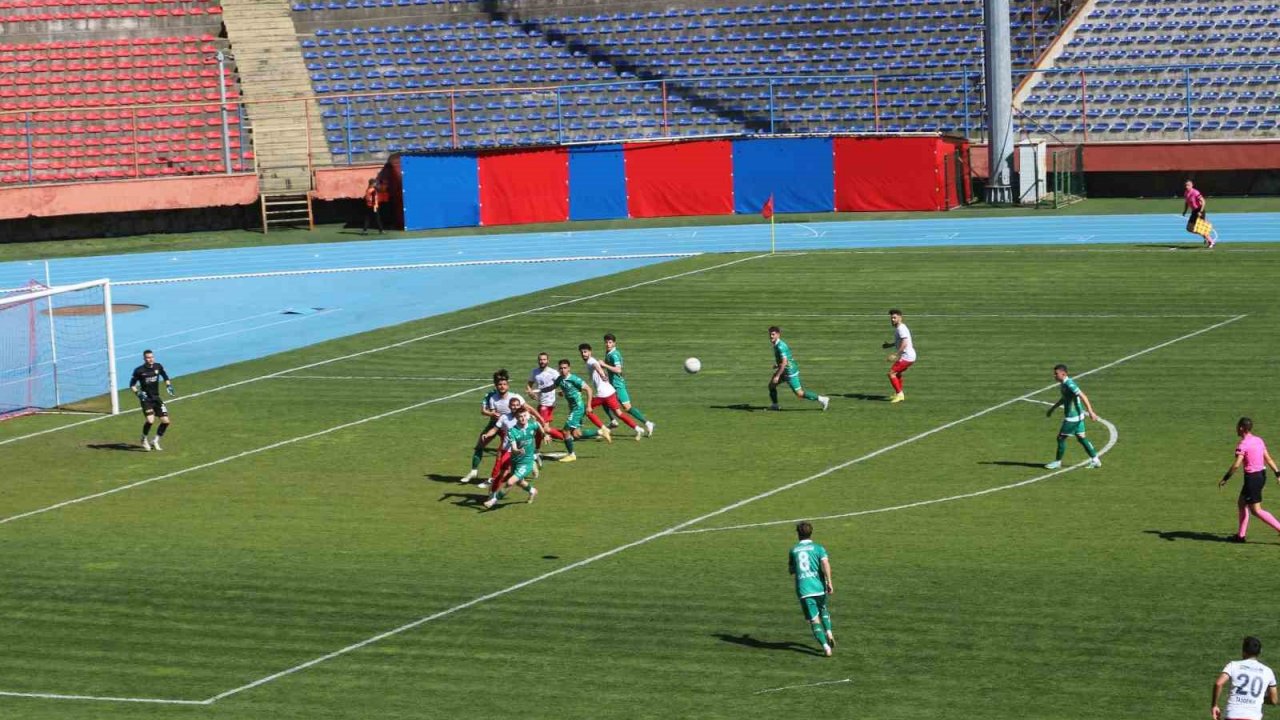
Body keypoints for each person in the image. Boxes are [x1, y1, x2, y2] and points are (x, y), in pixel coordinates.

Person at [1219, 417, 1280, 543]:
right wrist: (1277, 473)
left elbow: (1236, 465)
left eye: (1237, 426)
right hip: (1261, 476)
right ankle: (1240, 536)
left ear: (1241, 428)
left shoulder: (1243, 444)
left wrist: (1226, 478)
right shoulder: (1259, 440)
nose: (1236, 428)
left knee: (1256, 510)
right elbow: (1268, 459)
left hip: (1252, 479)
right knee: (1242, 503)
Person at [548, 358, 610, 462]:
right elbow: (551, 388)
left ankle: (571, 455)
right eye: (561, 368)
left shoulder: (574, 379)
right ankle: (600, 432)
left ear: (569, 369)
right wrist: (538, 391)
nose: (563, 370)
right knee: (577, 434)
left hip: (578, 408)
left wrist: (589, 405)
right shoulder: (559, 379)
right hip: (572, 408)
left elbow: (589, 389)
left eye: (565, 368)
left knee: (565, 431)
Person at [788, 521, 835, 657]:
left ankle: (826, 648)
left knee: (814, 620)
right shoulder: (818, 548)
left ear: (798, 534)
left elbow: (791, 570)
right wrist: (829, 582)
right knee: (823, 609)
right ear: (811, 532)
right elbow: (825, 563)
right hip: (819, 587)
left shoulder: (793, 550)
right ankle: (829, 632)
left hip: (804, 590)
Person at [579, 343, 644, 441]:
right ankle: (638, 429)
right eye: (582, 352)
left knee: (586, 409)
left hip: (602, 394)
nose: (584, 354)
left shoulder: (590, 361)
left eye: (585, 352)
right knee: (619, 413)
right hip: (610, 391)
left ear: (590, 352)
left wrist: (602, 374)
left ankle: (601, 429)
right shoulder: (590, 361)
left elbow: (597, 366)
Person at [1044, 364, 1101, 469]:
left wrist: (1091, 412)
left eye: (1056, 374)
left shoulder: (1070, 384)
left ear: (1063, 374)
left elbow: (1083, 396)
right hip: (1078, 416)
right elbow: (1064, 399)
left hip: (1072, 418)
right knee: (1081, 438)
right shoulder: (1063, 384)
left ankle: (1057, 462)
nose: (1054, 376)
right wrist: (1053, 408)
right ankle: (1096, 460)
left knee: (1060, 438)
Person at [483, 406, 540, 509]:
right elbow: (513, 448)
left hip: (527, 462)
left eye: (524, 416)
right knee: (519, 482)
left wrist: (545, 435)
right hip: (515, 460)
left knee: (510, 481)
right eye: (520, 416)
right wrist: (517, 451)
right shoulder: (512, 431)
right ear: (516, 418)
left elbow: (538, 426)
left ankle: (493, 500)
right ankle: (532, 491)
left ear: (527, 416)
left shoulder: (532, 425)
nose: (523, 418)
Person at [463, 370, 515, 483]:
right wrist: (491, 414)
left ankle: (497, 477)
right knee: (479, 446)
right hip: (494, 424)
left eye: (503, 382)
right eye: (498, 382)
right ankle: (474, 471)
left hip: (506, 427)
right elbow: (483, 411)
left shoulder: (512, 396)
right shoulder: (490, 395)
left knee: (503, 452)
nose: (500, 385)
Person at [599, 333, 655, 436]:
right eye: (606, 342)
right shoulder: (609, 352)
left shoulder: (614, 354)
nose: (607, 344)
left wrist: (604, 365)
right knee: (603, 399)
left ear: (614, 343)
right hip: (612, 384)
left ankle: (647, 423)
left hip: (618, 385)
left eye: (610, 342)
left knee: (627, 407)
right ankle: (613, 421)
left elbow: (618, 369)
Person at [1212, 636, 1277, 720]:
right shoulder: (1268, 671)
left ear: (1243, 651)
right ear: (1260, 651)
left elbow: (1219, 683)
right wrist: (1257, 697)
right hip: (1254, 717)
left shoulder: (1233, 665)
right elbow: (1274, 700)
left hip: (1233, 715)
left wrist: (1214, 705)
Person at [768, 326, 829, 411]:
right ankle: (775, 405)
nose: (771, 336)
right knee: (771, 386)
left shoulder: (780, 346)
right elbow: (785, 360)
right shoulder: (776, 344)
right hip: (784, 370)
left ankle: (822, 399)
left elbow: (785, 362)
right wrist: (778, 365)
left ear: (778, 335)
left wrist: (777, 376)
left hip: (790, 372)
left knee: (799, 394)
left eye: (773, 334)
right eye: (770, 334)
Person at [129, 349, 174, 451]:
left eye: (152, 357)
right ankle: (143, 439)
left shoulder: (158, 366)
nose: (150, 359)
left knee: (166, 421)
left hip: (156, 398)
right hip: (146, 399)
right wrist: (138, 394)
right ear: (144, 359)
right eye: (148, 357)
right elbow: (132, 385)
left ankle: (155, 440)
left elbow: (165, 376)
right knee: (150, 420)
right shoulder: (139, 370)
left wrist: (168, 385)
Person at [880, 309, 916, 404]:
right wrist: (890, 345)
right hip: (909, 356)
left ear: (900, 317)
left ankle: (900, 394)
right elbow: (899, 342)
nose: (892, 319)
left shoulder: (901, 328)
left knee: (891, 373)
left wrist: (896, 354)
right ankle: (899, 393)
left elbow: (904, 343)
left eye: (894, 317)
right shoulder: (900, 328)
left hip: (907, 357)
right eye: (891, 318)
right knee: (897, 374)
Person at [526, 352, 559, 451]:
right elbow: (529, 385)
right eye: (540, 359)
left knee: (541, 427)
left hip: (548, 404)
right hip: (541, 403)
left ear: (548, 361)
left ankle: (565, 437)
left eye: (544, 359)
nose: (542, 361)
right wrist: (530, 393)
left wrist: (562, 391)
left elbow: (561, 382)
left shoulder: (553, 372)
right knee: (544, 428)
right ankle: (566, 436)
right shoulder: (535, 372)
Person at [1183, 179, 1214, 248]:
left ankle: (1211, 241)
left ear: (1192, 185)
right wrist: (1185, 211)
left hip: (1199, 210)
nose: (1186, 186)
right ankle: (1204, 236)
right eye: (1186, 185)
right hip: (1194, 211)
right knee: (1189, 228)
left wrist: (1200, 211)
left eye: (1188, 185)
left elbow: (1203, 201)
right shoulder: (1186, 193)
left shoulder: (1195, 192)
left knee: (1201, 228)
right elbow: (1186, 203)